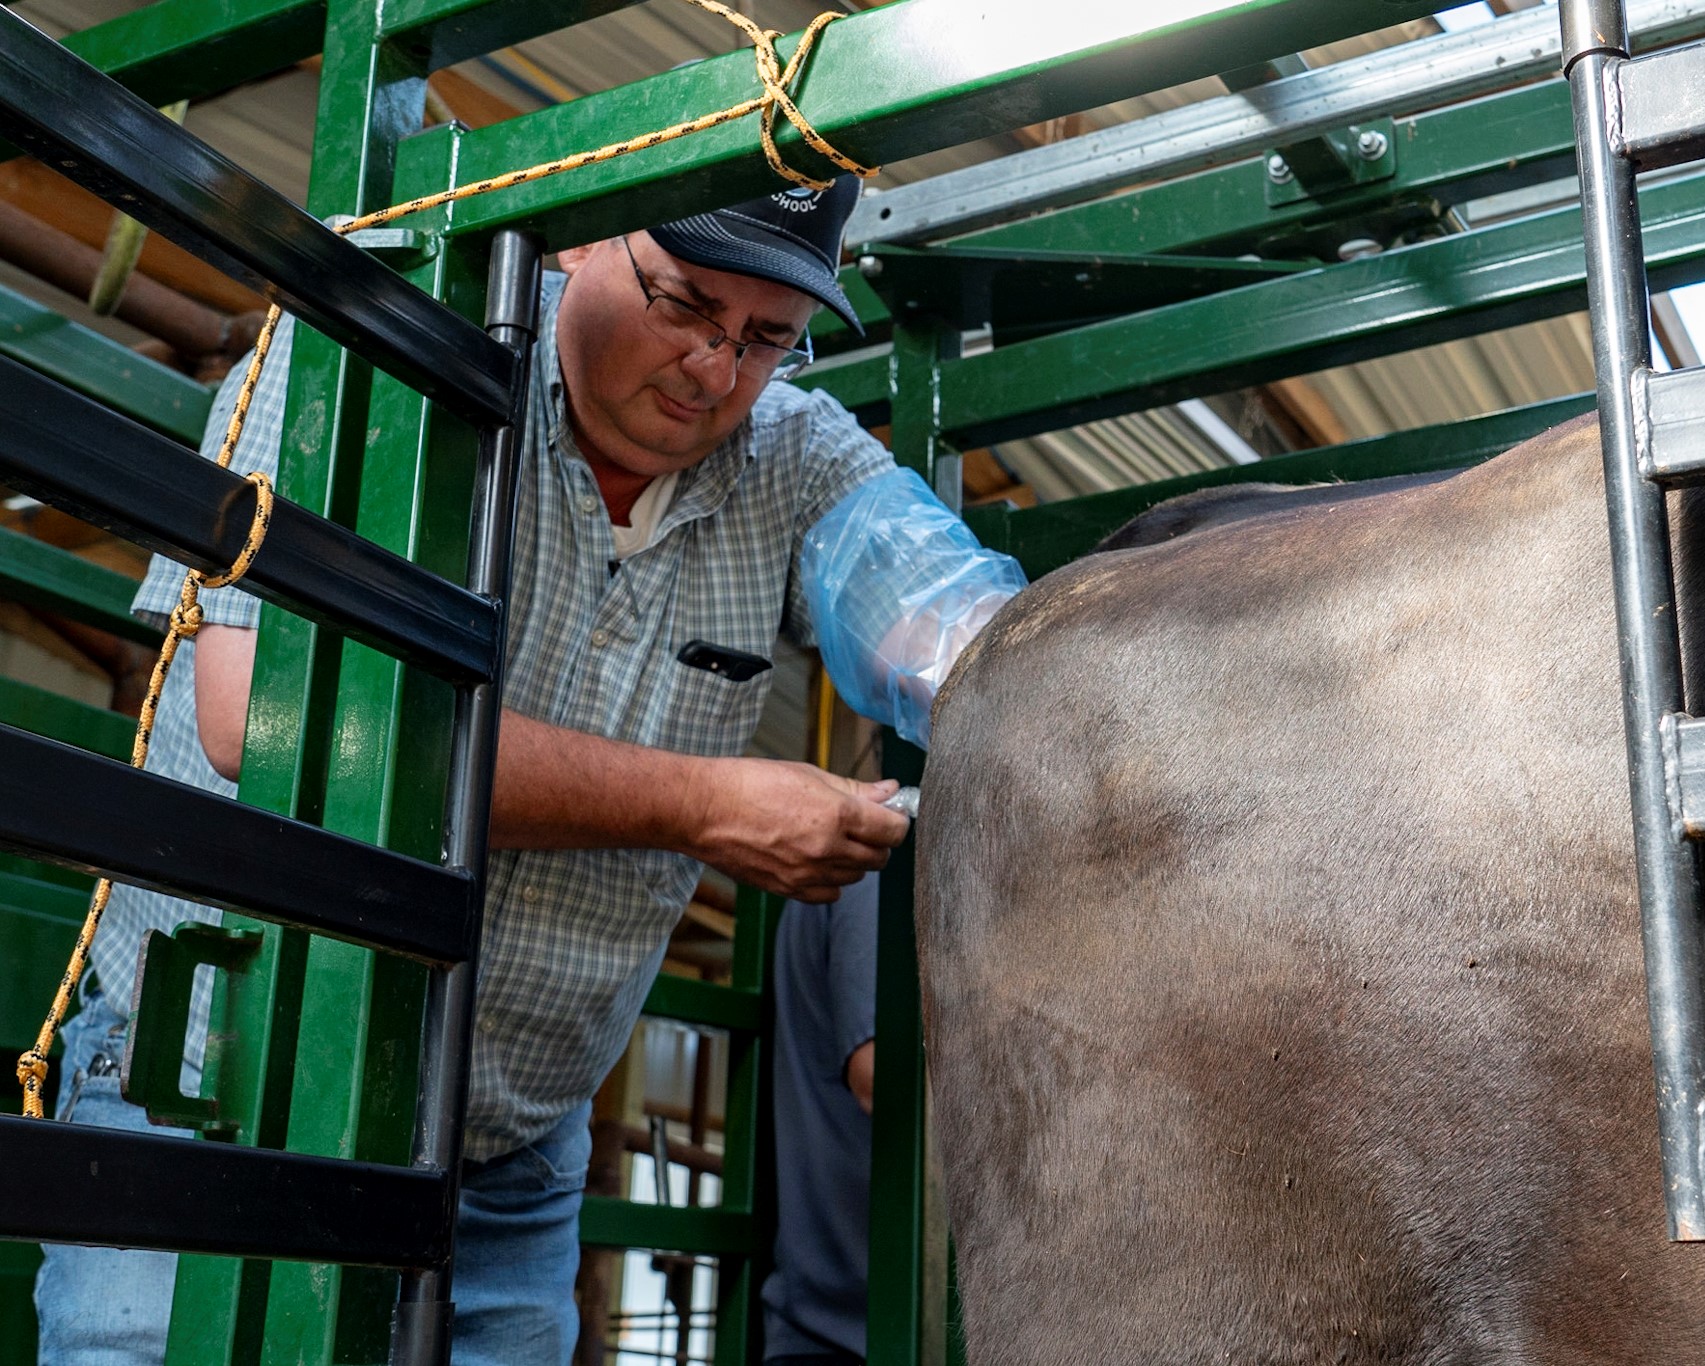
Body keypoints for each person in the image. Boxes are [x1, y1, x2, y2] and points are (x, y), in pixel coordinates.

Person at [35, 174, 1023, 1366]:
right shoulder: (372, 348)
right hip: (213, 1090)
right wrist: (700, 804)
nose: (714, 369)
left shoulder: (796, 457)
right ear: (589, 236)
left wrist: (1032, 678)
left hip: (507, 1151)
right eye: (682, 304)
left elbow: (946, 626)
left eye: (766, 338)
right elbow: (264, 718)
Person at [761, 871, 881, 1366]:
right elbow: (878, 1077)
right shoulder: (876, 877)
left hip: (829, 1322)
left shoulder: (839, 882)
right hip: (855, 1331)